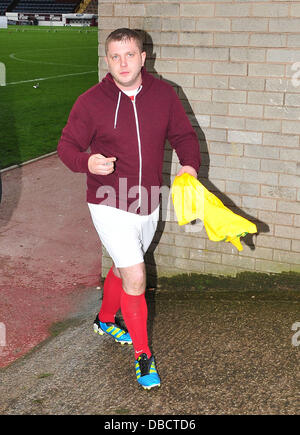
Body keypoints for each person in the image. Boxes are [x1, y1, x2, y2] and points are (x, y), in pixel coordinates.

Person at [57, 28, 201, 390]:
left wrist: (190, 164)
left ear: (143, 57)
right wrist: (87, 162)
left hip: (147, 199)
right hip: (108, 200)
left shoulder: (165, 94)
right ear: (108, 60)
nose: (123, 63)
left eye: (130, 55)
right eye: (115, 56)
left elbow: (183, 136)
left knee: (124, 268)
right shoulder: (91, 101)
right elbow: (66, 146)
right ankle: (142, 355)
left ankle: (105, 320)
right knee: (136, 275)